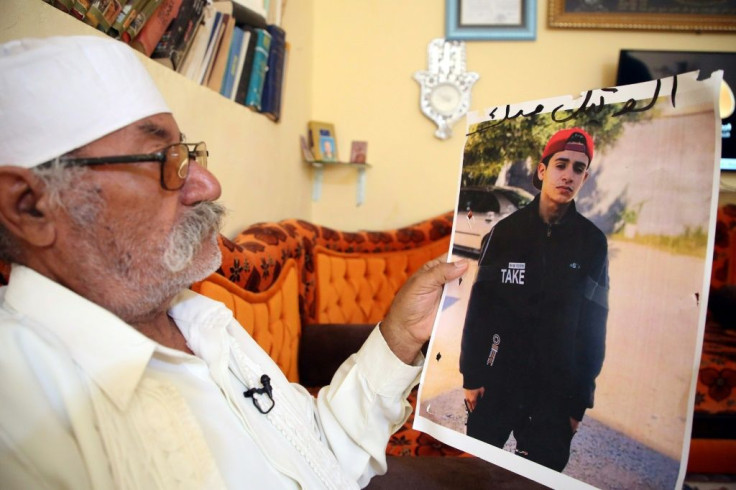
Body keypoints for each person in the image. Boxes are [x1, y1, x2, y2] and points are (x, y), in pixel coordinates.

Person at [0, 35, 468, 489]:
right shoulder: (21, 412)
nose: (207, 185)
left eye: (189, 154)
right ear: (30, 206)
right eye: (165, 160)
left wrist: (400, 335)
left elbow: (321, 455)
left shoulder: (198, 318)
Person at [460, 127, 609, 472]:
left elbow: (593, 326)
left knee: (540, 478)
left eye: (578, 168)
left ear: (585, 177)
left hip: (555, 392)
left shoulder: (592, 243)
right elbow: (480, 309)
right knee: (476, 474)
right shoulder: (505, 233)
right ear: (542, 171)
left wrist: (579, 402)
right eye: (561, 164)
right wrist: (472, 374)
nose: (568, 175)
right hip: (499, 381)